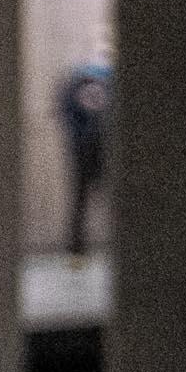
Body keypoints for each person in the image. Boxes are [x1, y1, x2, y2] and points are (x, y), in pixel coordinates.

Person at [56, 54, 111, 258]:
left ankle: (77, 251)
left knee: (82, 201)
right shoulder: (76, 84)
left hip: (94, 152)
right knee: (80, 202)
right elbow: (67, 115)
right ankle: (76, 250)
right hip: (86, 153)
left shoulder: (79, 83)